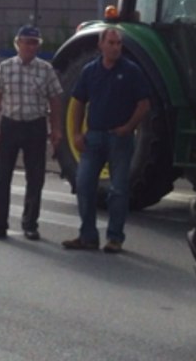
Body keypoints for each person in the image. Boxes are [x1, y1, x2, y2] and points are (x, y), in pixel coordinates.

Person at [63, 27, 152, 254]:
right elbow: (78, 102)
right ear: (101, 45)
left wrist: (129, 127)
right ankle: (87, 236)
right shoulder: (90, 71)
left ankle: (115, 238)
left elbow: (144, 104)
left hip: (119, 139)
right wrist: (76, 133)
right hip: (93, 137)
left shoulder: (131, 71)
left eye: (118, 44)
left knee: (118, 190)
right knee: (84, 185)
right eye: (111, 43)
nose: (115, 48)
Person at [0, 25, 65, 241]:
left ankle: (30, 224)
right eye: (27, 42)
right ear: (18, 43)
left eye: (35, 43)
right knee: (2, 177)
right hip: (10, 125)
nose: (31, 47)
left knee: (35, 178)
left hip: (35, 126)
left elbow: (55, 100)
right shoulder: (5, 67)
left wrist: (56, 129)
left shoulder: (45, 69)